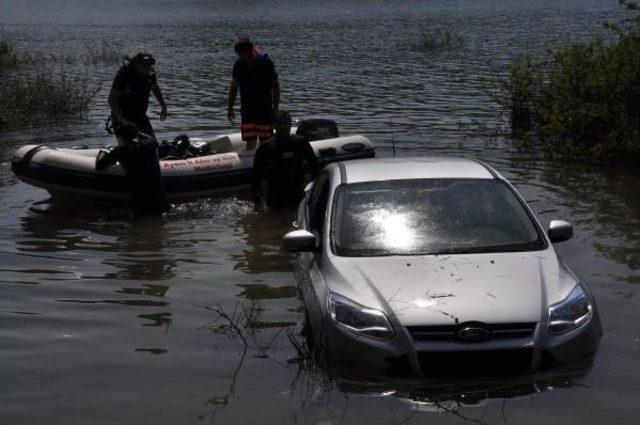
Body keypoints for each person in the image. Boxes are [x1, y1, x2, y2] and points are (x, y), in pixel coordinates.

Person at [96, 121, 170, 215]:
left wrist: (102, 152)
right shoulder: (150, 144)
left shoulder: (121, 151)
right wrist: (136, 132)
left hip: (142, 205)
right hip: (162, 202)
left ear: (121, 137)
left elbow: (100, 166)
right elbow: (149, 138)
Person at [252, 111, 318, 209]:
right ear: (273, 126)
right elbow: (257, 174)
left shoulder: (301, 142)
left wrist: (315, 189)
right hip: (276, 192)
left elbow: (314, 165)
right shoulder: (266, 147)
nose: (282, 127)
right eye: (279, 124)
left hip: (296, 190)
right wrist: (256, 199)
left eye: (285, 123)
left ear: (290, 125)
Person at [227, 36, 280, 150]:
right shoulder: (238, 64)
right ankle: (251, 161)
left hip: (264, 108)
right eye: (239, 55)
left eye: (242, 55)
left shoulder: (265, 62)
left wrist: (275, 110)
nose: (240, 57)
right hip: (247, 109)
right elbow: (234, 86)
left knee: (265, 140)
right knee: (250, 139)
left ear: (249, 51)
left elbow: (275, 87)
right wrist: (230, 107)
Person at [108, 52, 167, 140]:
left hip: (140, 115)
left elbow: (154, 87)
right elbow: (112, 99)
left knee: (152, 144)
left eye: (149, 65)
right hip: (123, 116)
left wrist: (163, 106)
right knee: (129, 148)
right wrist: (120, 119)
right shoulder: (125, 74)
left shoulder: (150, 73)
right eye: (143, 65)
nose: (146, 68)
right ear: (136, 64)